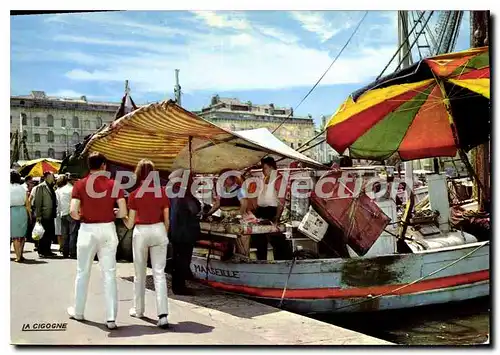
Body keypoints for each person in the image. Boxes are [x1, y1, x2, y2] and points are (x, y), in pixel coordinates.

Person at [67, 152, 127, 330]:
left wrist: (83, 215)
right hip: (108, 229)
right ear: (104, 166)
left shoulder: (80, 184)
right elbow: (123, 212)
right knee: (109, 274)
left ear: (89, 165)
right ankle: (111, 318)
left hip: (87, 230)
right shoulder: (114, 184)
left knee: (82, 272)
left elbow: (73, 211)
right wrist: (114, 212)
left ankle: (78, 311)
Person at [124, 159, 170, 328]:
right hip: (158, 230)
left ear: (138, 174)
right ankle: (163, 315)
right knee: (159, 273)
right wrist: (164, 234)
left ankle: (138, 310)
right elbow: (167, 220)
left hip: (141, 231)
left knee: (139, 273)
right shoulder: (162, 192)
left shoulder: (134, 194)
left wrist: (120, 215)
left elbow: (129, 224)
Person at [251, 157, 293, 261]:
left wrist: (277, 217)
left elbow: (281, 201)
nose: (263, 171)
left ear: (271, 167)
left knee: (275, 239)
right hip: (260, 212)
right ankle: (261, 261)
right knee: (259, 239)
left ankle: (282, 261)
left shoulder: (279, 180)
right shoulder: (264, 179)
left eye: (264, 168)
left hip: (272, 211)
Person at [168, 169, 201, 295]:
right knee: (183, 260)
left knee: (177, 260)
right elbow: (195, 209)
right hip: (185, 233)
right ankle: (180, 287)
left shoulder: (173, 193)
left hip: (176, 231)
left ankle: (178, 285)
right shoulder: (185, 196)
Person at [34, 172, 58, 258]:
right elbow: (38, 201)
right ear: (47, 177)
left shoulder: (51, 186)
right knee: (43, 233)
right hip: (44, 213)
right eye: (52, 176)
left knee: (49, 233)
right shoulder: (41, 186)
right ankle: (41, 250)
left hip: (51, 214)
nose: (53, 177)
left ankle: (48, 250)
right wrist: (38, 214)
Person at [11, 170, 30, 262]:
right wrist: (29, 215)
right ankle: (20, 255)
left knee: (14, 236)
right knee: (21, 235)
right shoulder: (23, 188)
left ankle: (17, 256)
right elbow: (27, 204)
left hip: (11, 211)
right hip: (22, 211)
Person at [56, 174, 75, 258]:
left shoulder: (60, 190)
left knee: (64, 234)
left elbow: (59, 203)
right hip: (71, 213)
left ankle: (65, 251)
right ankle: (72, 251)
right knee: (72, 233)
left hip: (62, 213)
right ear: (71, 181)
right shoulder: (72, 189)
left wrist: (59, 213)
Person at [54, 175, 68, 254]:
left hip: (58, 212)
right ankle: (63, 246)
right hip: (63, 211)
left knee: (59, 231)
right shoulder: (64, 190)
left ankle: (61, 246)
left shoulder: (56, 191)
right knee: (64, 231)